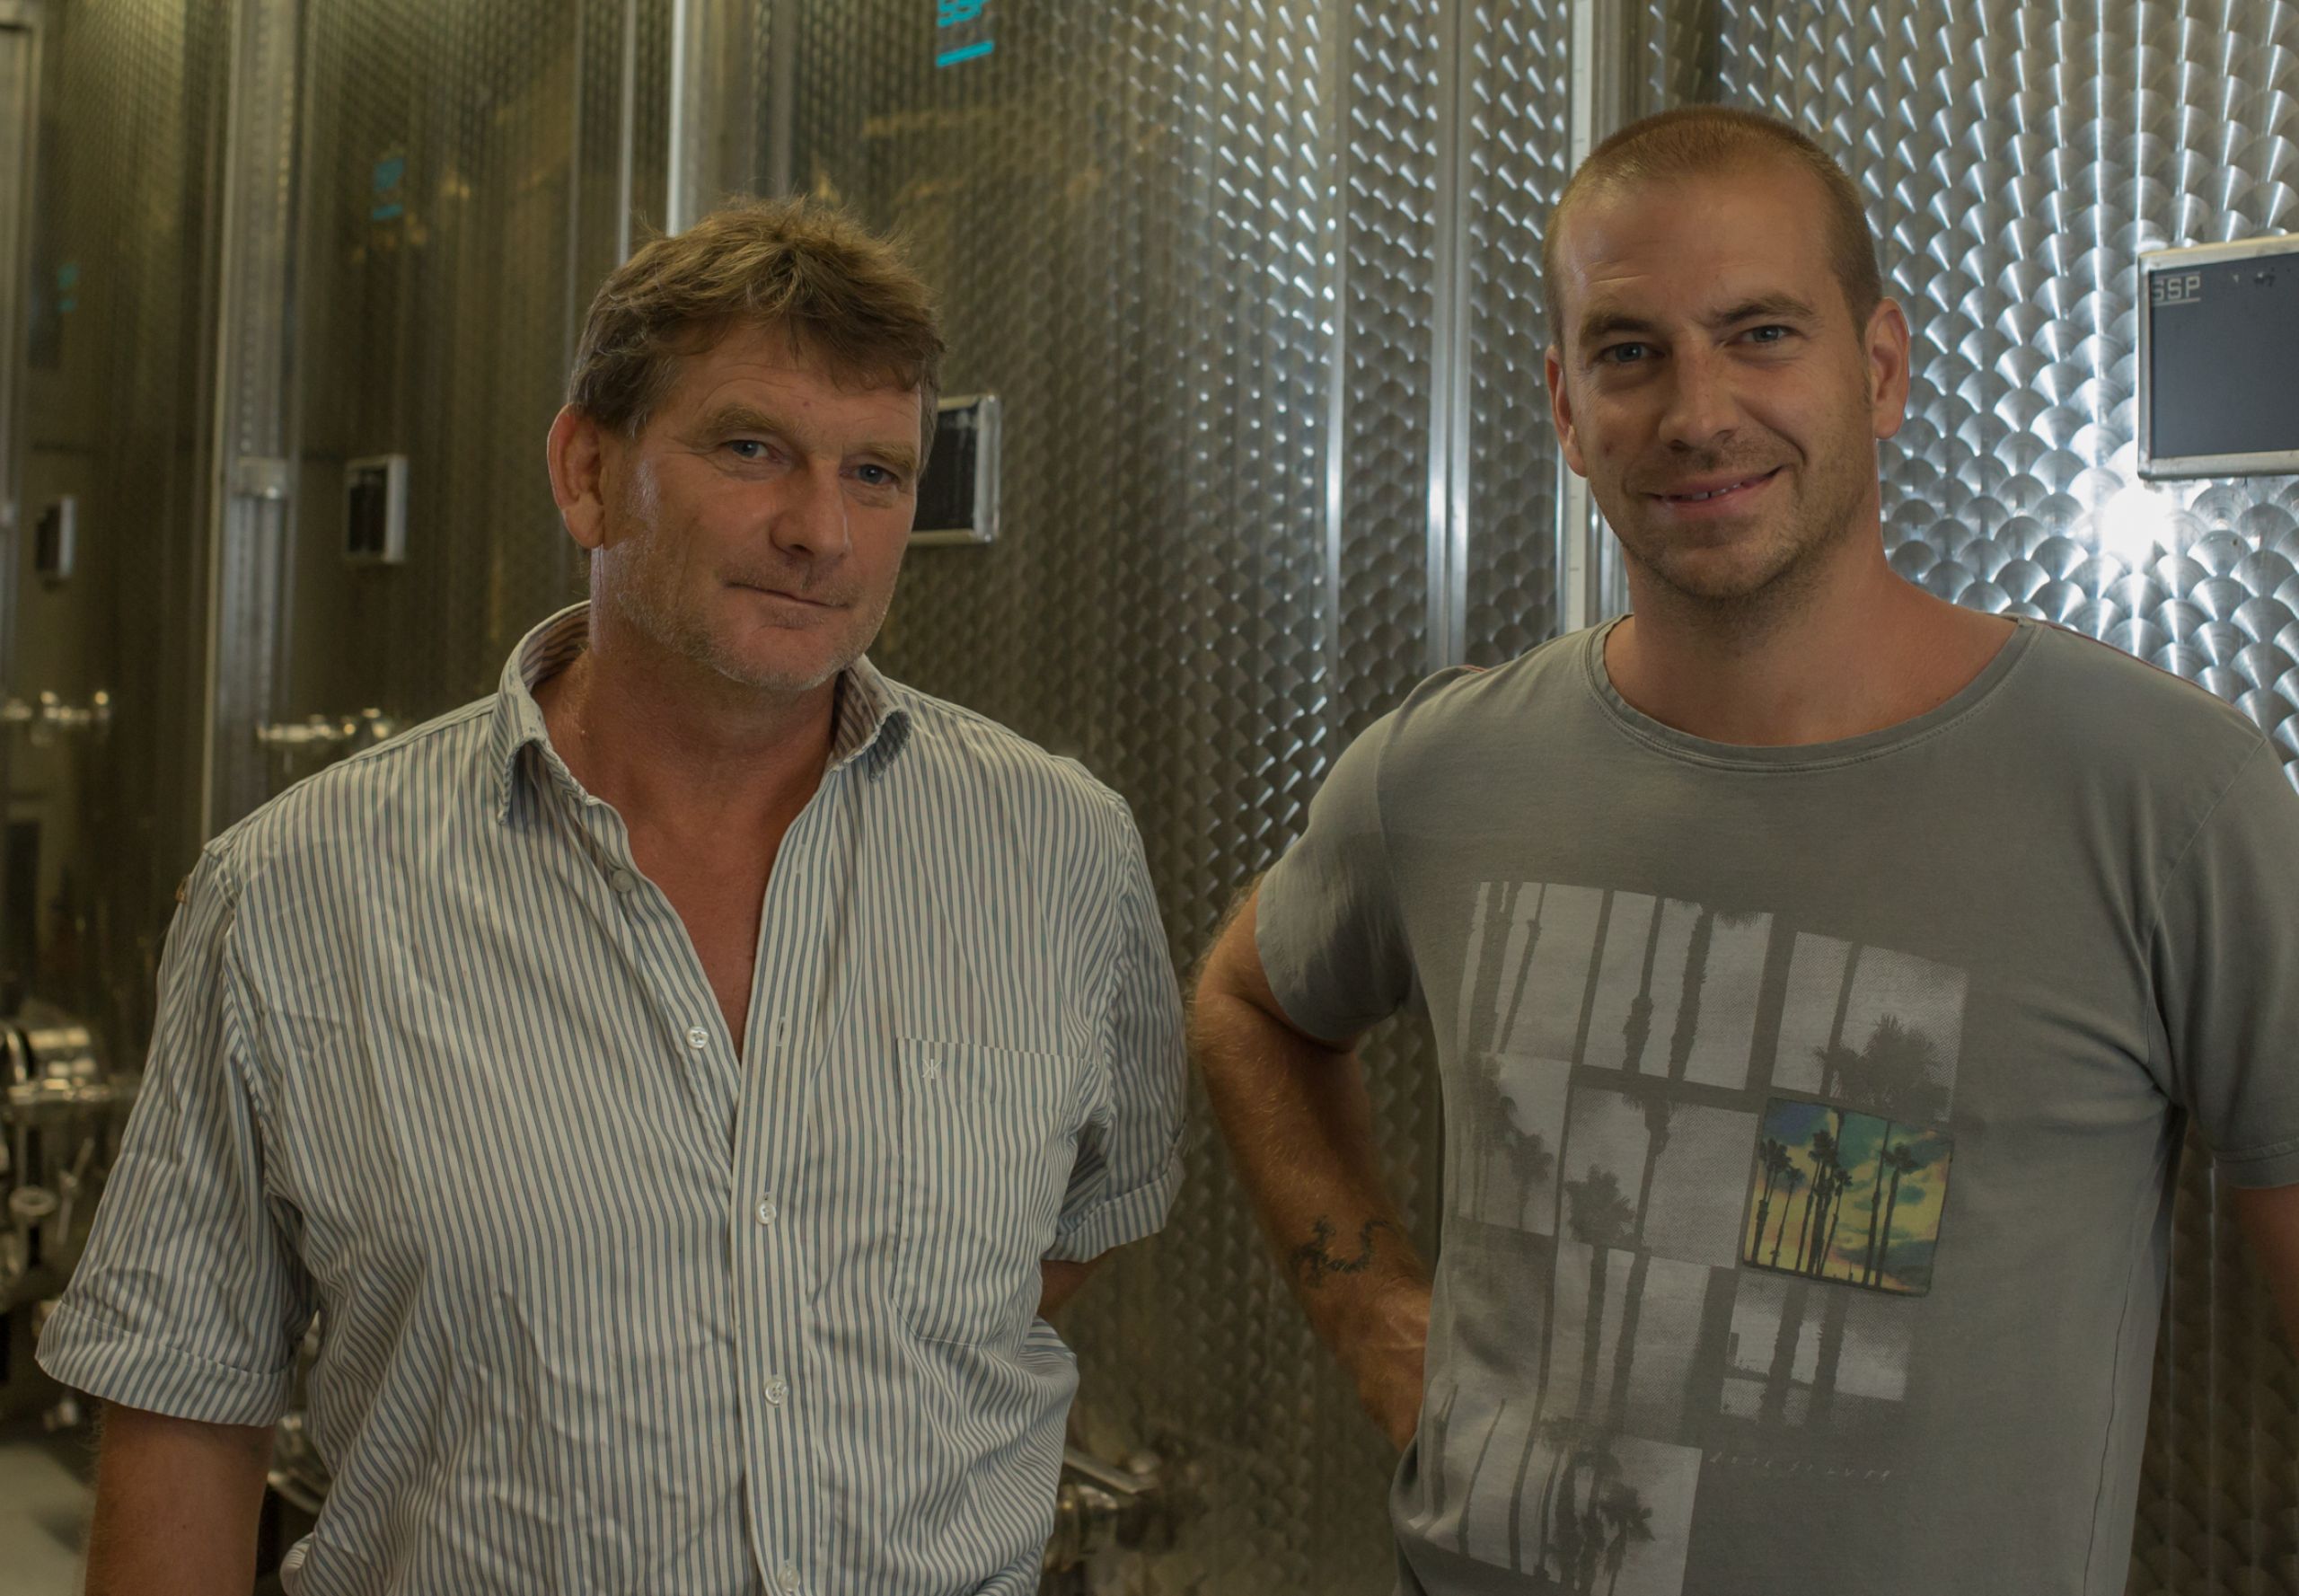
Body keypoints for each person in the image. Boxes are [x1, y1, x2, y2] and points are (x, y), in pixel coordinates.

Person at [1194, 106, 2299, 1595]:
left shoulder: (2167, 798)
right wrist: (1387, 1328)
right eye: (1629, 350)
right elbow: (1248, 1001)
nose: (1698, 412)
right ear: (1566, 406)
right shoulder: (1440, 772)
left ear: (1882, 366)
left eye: (1762, 332)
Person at [40, 198, 1186, 1596]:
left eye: (877, 473)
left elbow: (1055, 1246)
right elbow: (185, 1403)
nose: (821, 530)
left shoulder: (1060, 855)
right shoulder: (296, 892)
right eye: (751, 449)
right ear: (588, 473)